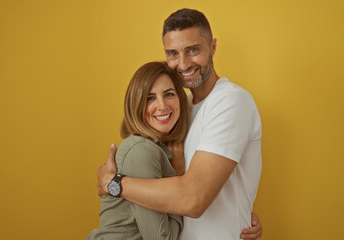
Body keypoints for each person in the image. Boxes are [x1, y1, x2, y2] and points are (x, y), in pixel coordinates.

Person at [97, 8, 263, 240]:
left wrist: (113, 183)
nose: (183, 64)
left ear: (213, 47)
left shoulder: (230, 101)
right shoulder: (178, 109)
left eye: (193, 50)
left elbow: (193, 198)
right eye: (173, 54)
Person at [87, 61, 189, 239]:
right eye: (150, 98)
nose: (162, 106)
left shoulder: (160, 148)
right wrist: (178, 176)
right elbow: (161, 238)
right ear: (136, 104)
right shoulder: (141, 150)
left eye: (169, 94)